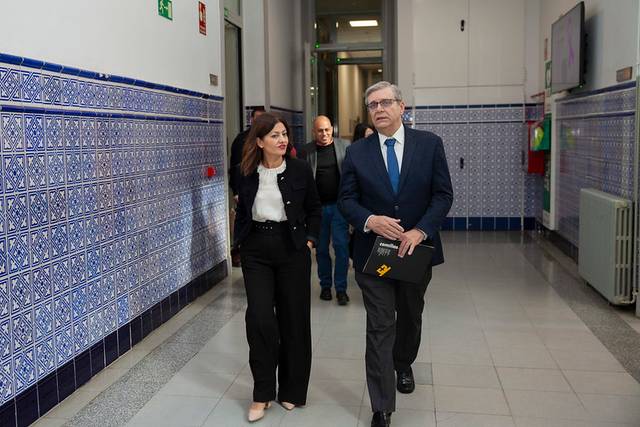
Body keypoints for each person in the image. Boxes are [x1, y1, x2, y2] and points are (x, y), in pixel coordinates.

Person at [338, 82, 453, 427]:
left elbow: (443, 195)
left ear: (402, 107)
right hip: (374, 254)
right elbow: (346, 201)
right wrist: (370, 220)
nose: (379, 109)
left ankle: (403, 363)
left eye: (386, 102)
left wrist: (421, 230)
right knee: (380, 324)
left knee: (410, 315)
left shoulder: (429, 145)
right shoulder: (358, 153)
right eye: (372, 104)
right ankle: (381, 406)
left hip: (415, 250)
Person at [234, 112, 321, 423]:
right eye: (274, 135)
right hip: (256, 249)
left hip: (291, 248)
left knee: (293, 320)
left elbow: (314, 209)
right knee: (259, 318)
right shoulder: (245, 171)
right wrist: (240, 245)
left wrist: (309, 243)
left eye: (284, 134)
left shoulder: (298, 170)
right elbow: (242, 210)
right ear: (259, 141)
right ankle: (262, 393)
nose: (282, 140)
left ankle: (292, 391)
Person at [301, 115, 351, 305]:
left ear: (332, 129)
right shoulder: (307, 151)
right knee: (321, 249)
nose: (324, 134)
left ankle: (341, 289)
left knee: (341, 247)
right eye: (320, 130)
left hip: (339, 207)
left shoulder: (345, 147)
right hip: (317, 209)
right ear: (314, 132)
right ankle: (325, 286)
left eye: (327, 130)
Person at [229, 107, 265, 267]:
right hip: (245, 189)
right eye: (256, 119)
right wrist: (236, 191)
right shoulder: (241, 140)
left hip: (263, 189)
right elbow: (235, 167)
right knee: (244, 221)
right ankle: (239, 250)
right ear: (251, 120)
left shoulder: (268, 138)